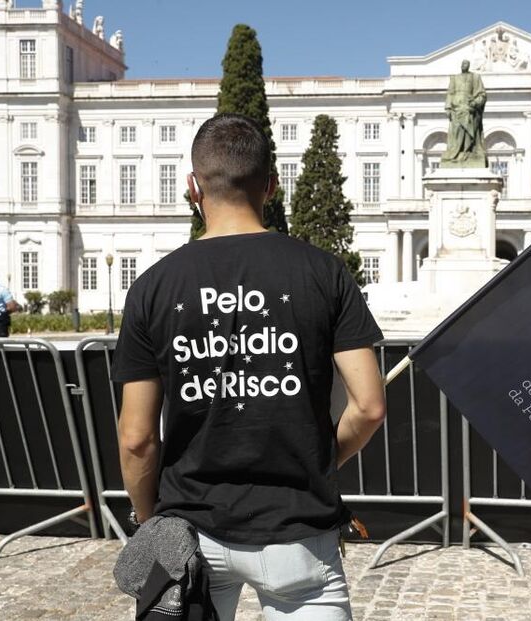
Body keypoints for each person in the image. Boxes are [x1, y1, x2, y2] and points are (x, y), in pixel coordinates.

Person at [112, 113, 385, 621]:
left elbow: (136, 438)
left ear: (193, 187)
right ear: (272, 186)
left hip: (189, 534)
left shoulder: (152, 286)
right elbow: (368, 407)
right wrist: (321, 458)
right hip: (297, 528)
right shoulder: (323, 272)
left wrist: (151, 523)